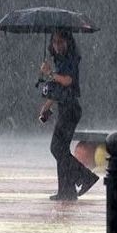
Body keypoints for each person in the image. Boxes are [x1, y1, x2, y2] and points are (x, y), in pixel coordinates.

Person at [39, 30, 99, 201]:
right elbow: (58, 88)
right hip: (64, 107)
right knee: (61, 149)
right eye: (55, 42)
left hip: (71, 109)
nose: (57, 46)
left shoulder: (71, 57)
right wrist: (47, 105)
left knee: (56, 148)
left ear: (67, 42)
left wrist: (50, 73)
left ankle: (86, 177)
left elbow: (67, 81)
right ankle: (67, 190)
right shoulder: (60, 59)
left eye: (60, 42)